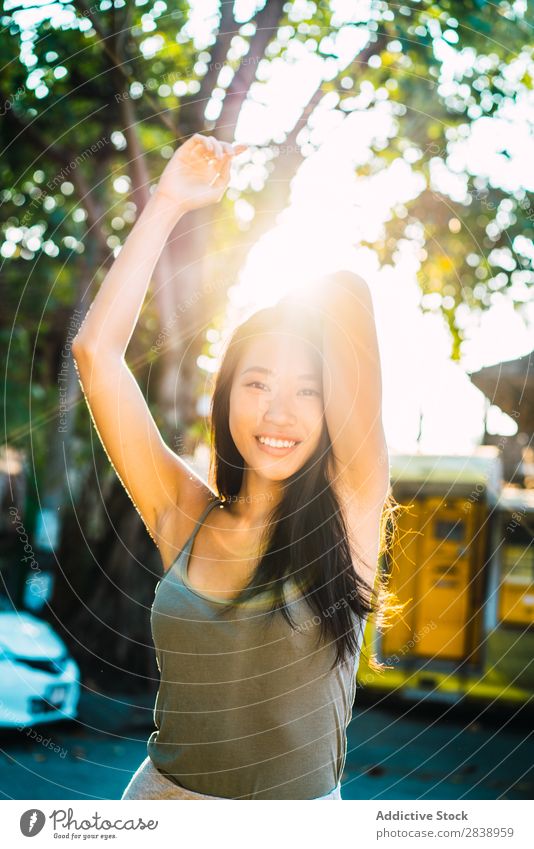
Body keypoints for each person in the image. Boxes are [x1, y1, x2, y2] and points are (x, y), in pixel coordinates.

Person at [72, 133, 393, 800]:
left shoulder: (351, 511)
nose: (279, 413)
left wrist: (302, 299)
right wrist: (168, 202)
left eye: (307, 389)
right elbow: (95, 354)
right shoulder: (184, 512)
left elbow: (352, 300)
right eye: (257, 384)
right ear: (224, 398)